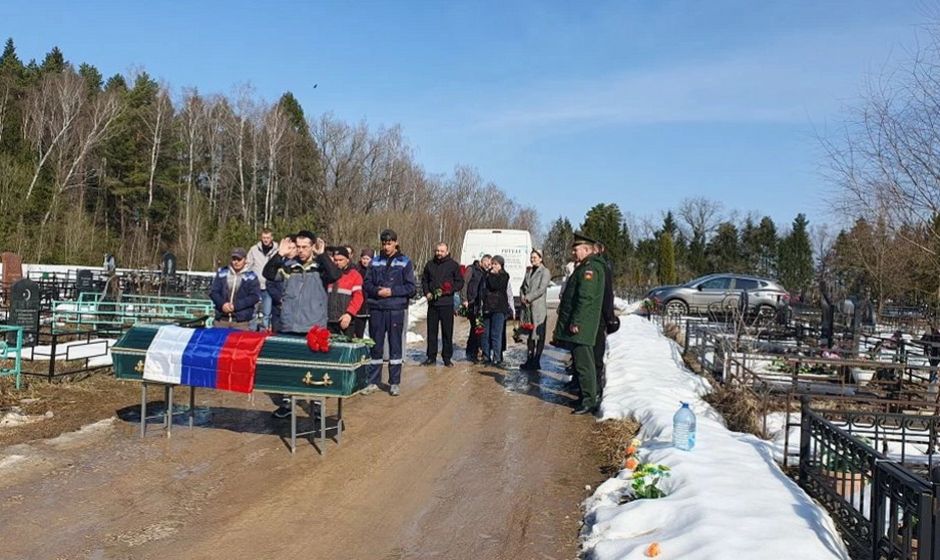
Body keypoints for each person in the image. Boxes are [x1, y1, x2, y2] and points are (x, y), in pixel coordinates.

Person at [263, 230, 341, 418]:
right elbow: (268, 273)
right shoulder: (289, 266)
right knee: (288, 366)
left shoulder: (320, 267)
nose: (301, 250)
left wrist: (322, 255)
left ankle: (315, 405)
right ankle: (287, 403)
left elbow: (335, 275)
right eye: (298, 247)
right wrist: (279, 254)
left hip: (314, 326)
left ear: (312, 246)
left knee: (314, 367)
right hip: (290, 324)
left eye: (305, 247)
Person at [552, 234, 606, 415]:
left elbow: (585, 298)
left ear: (587, 250)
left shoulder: (590, 269)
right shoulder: (585, 267)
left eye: (576, 249)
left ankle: (589, 400)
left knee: (584, 364)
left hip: (582, 326)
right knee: (582, 362)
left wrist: (577, 322)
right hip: (583, 325)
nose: (573, 252)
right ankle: (586, 397)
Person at [363, 229, 417, 396]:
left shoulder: (405, 262)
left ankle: (394, 382)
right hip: (377, 308)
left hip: (395, 309)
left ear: (396, 242)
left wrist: (392, 291)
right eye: (384, 243)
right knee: (376, 346)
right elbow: (367, 284)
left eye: (389, 243)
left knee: (395, 346)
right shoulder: (375, 262)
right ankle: (373, 381)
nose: (386, 247)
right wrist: (377, 291)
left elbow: (411, 288)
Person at [421, 242, 464, 367]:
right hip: (433, 304)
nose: (439, 253)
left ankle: (447, 358)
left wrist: (450, 289)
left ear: (447, 251)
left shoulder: (453, 265)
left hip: (446, 303)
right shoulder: (430, 264)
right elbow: (424, 280)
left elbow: (460, 282)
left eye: (441, 251)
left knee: (447, 332)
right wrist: (427, 292)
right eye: (437, 251)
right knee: (431, 332)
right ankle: (431, 357)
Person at [210, 247, 261, 330]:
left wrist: (236, 306)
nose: (236, 262)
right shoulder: (222, 272)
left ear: (245, 260)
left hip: (241, 323)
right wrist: (222, 304)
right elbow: (214, 292)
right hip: (221, 320)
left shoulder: (252, 277)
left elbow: (254, 297)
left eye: (239, 259)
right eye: (234, 259)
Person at [593, 241, 617, 401]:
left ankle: (595, 390)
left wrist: (610, 318)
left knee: (595, 356)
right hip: (594, 318)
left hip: (599, 318)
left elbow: (608, 295)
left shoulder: (602, 267)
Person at [520, 249, 551, 370]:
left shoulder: (545, 272)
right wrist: (522, 296)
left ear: (541, 258)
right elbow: (523, 286)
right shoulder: (529, 271)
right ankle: (530, 358)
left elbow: (541, 289)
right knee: (529, 335)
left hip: (538, 308)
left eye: (535, 257)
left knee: (538, 335)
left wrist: (529, 297)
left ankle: (537, 359)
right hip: (527, 308)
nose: (532, 259)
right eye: (531, 257)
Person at [326, 247, 364, 337]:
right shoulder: (328, 275)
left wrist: (349, 314)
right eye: (335, 260)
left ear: (347, 260)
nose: (337, 262)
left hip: (345, 320)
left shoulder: (354, 275)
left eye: (340, 260)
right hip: (329, 321)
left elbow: (358, 297)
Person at [481, 255, 511, 366]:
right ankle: (486, 356)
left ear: (501, 265)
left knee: (496, 334)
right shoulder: (486, 275)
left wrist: (492, 275)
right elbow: (482, 288)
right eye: (492, 263)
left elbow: (495, 285)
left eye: (496, 264)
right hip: (488, 307)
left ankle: (497, 358)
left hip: (499, 308)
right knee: (485, 334)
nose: (493, 266)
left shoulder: (504, 276)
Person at [246, 228, 278, 331]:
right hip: (255, 286)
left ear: (271, 238)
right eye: (264, 237)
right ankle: (251, 331)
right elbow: (248, 266)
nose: (266, 240)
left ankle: (264, 333)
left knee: (267, 313)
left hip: (269, 286)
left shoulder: (277, 250)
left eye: (268, 238)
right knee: (253, 311)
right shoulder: (253, 250)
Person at [463, 255, 491, 363]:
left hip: (480, 304)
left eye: (489, 264)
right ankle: (471, 350)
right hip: (471, 302)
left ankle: (476, 350)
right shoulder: (471, 269)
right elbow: (465, 284)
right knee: (475, 327)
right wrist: (464, 299)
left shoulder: (485, 272)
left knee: (478, 327)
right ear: (482, 261)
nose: (488, 266)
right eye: (487, 263)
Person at [353, 249, 373, 338]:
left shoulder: (374, 270)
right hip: (360, 306)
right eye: (363, 258)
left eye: (367, 259)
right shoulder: (357, 270)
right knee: (358, 331)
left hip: (371, 304)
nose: (365, 261)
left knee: (373, 331)